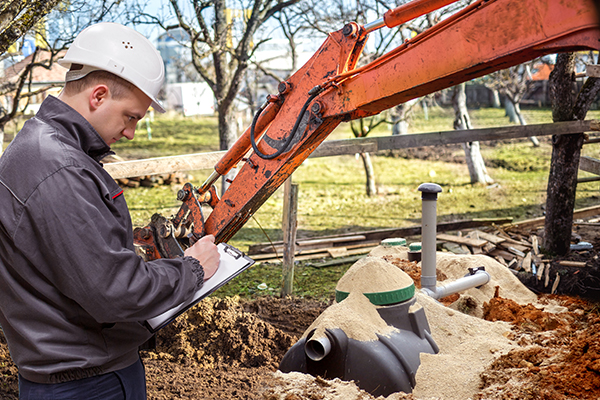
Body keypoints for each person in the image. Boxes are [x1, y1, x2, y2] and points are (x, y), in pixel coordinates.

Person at [0, 22, 220, 399]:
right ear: (99, 96)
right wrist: (193, 269)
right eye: (131, 116)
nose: (132, 132)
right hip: (89, 381)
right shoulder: (61, 170)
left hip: (63, 372)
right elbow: (115, 291)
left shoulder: (38, 148)